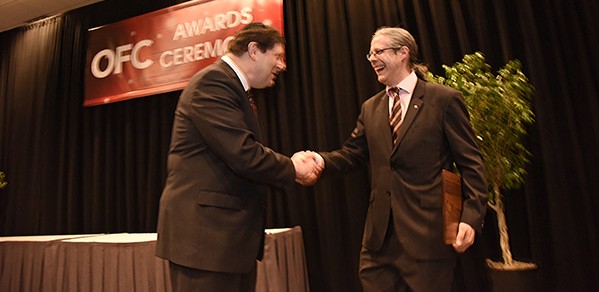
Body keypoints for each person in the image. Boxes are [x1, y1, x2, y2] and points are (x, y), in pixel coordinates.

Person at [305, 27, 488, 291]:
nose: (372, 59)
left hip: (428, 238)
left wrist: (470, 217)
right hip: (378, 242)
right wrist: (320, 161)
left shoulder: (443, 100)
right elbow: (352, 154)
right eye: (370, 54)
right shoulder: (371, 108)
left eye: (378, 51)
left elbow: (472, 165)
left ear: (403, 53)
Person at [155, 23, 322, 292]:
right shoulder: (213, 83)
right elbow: (243, 154)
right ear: (254, 50)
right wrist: (292, 168)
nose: (282, 66)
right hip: (206, 244)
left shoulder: (234, 89)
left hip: (225, 245)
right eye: (278, 57)